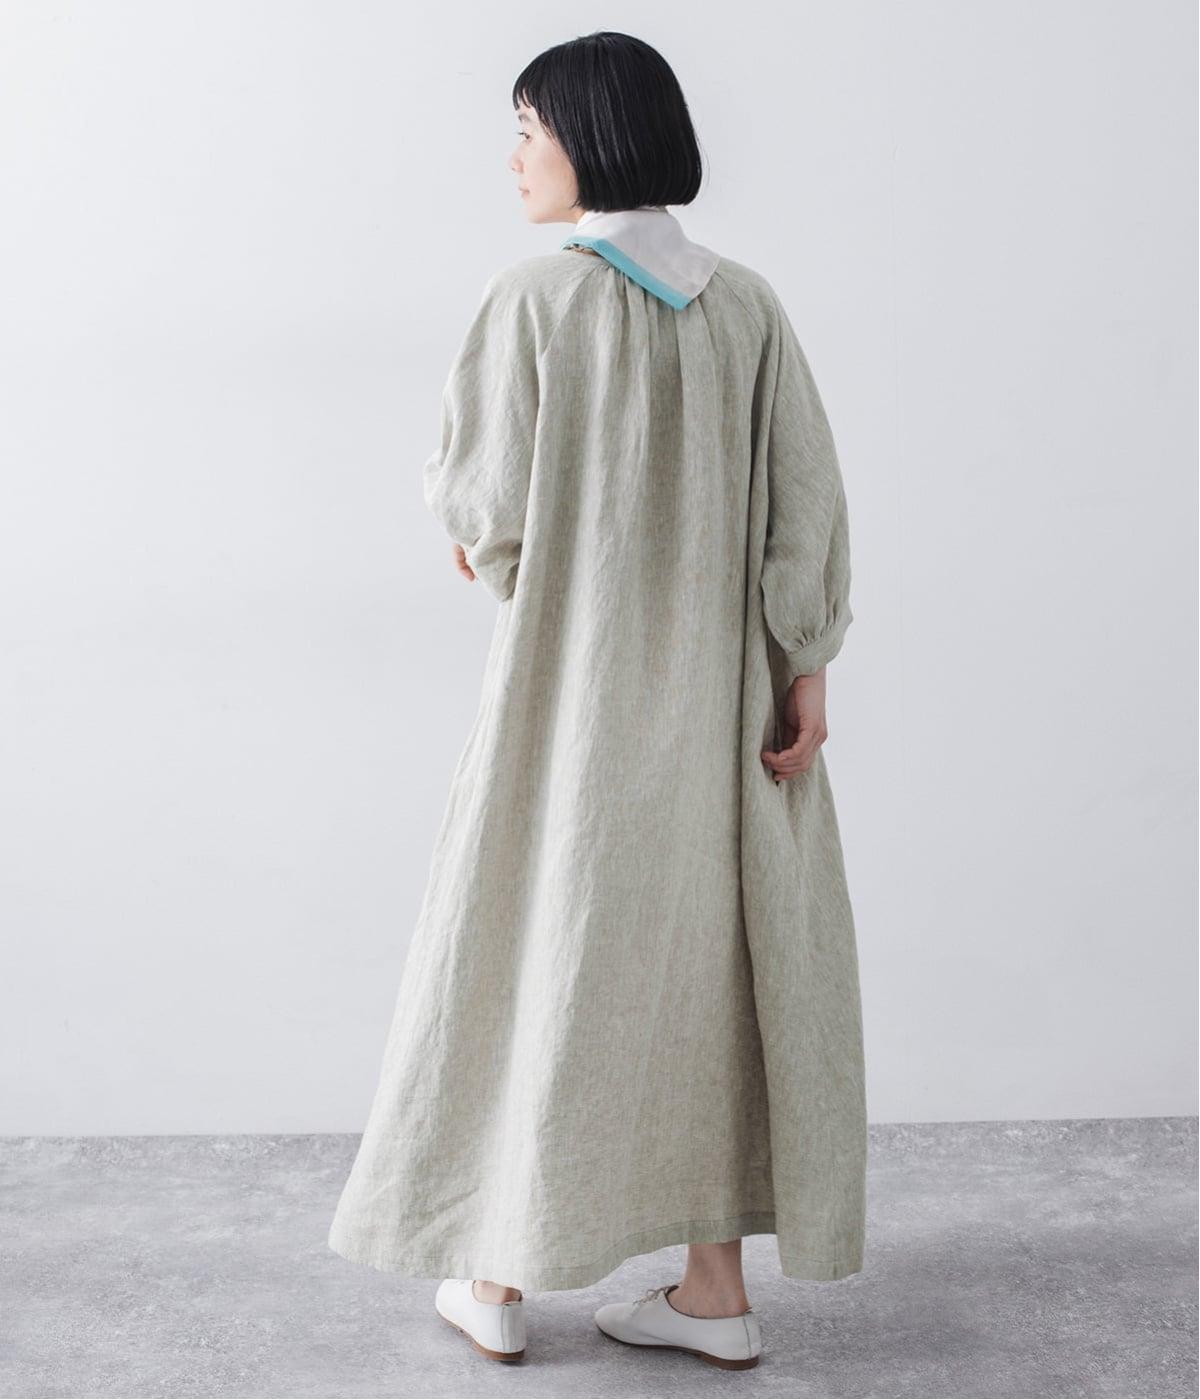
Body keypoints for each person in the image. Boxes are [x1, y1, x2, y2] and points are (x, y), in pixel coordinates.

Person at [327, 30, 867, 1372]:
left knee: (538, 949)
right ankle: (713, 1292)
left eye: (530, 129)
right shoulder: (746, 307)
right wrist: (805, 672)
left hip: (566, 712)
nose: (515, 156)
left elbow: (490, 513)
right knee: (716, 966)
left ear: (592, 137)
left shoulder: (534, 300)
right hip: (726, 720)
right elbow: (805, 511)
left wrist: (489, 542)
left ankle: (497, 1276)